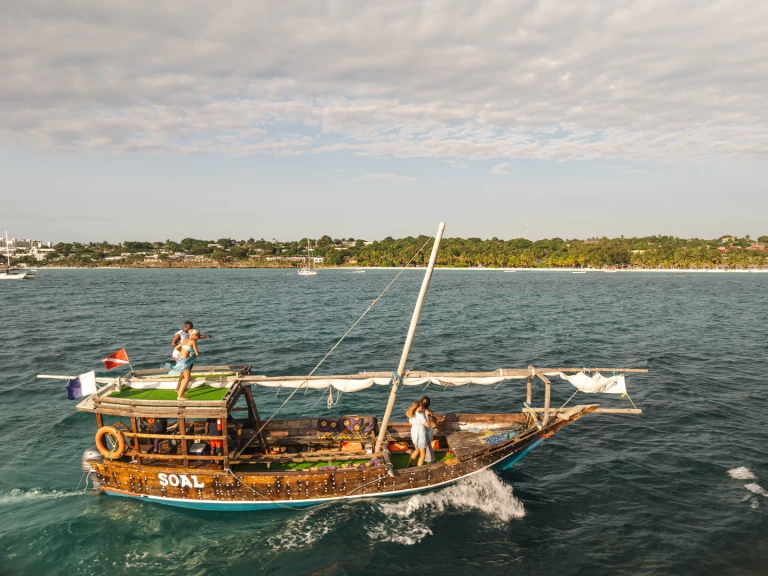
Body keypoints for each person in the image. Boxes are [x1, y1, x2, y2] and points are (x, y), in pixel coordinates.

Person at [167, 329, 201, 399]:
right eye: (198, 336)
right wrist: (191, 354)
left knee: (187, 377)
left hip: (180, 359)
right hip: (185, 361)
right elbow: (197, 353)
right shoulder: (193, 341)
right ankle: (179, 396)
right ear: (194, 335)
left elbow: (176, 347)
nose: (198, 338)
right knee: (187, 378)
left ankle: (180, 392)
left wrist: (183, 351)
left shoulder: (186, 340)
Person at [405, 401, 431, 467]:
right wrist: (427, 416)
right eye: (421, 406)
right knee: (423, 454)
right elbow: (427, 425)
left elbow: (410, 424)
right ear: (418, 407)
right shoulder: (420, 415)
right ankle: (418, 468)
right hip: (420, 435)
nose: (422, 407)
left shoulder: (412, 414)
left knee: (416, 450)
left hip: (414, 434)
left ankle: (408, 464)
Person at [421, 396, 444, 463]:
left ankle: (432, 459)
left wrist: (437, 425)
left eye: (426, 402)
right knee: (424, 444)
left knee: (428, 444)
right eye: (424, 401)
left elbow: (433, 418)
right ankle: (425, 457)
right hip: (422, 429)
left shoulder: (428, 410)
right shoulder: (419, 410)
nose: (425, 403)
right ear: (421, 401)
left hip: (428, 429)